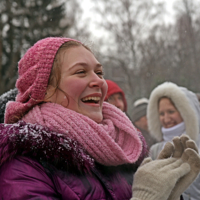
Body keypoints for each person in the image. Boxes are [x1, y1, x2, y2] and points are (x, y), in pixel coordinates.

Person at [0, 37, 199, 200]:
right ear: (44, 90)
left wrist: (170, 195)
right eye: (81, 72)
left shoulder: (123, 150)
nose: (98, 81)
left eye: (99, 72)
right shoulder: (22, 165)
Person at [147, 81, 200, 200]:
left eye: (171, 112)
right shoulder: (155, 150)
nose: (166, 119)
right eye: (161, 113)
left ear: (186, 113)